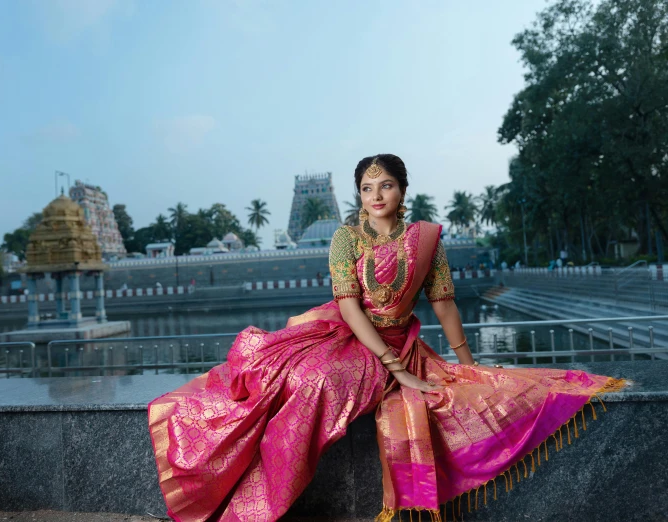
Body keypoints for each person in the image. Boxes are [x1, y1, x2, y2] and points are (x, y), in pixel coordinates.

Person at [147, 154, 626, 522]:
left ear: (402, 190)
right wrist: (393, 367)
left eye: (386, 185)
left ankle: (263, 506)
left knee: (320, 387)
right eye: (366, 187)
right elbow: (350, 303)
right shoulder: (345, 239)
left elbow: (444, 304)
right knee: (298, 381)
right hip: (345, 334)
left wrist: (468, 360)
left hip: (396, 343)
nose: (376, 195)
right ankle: (248, 502)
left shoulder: (425, 241)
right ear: (358, 194)